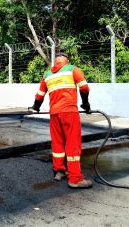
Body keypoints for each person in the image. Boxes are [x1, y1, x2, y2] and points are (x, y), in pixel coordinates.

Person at [31, 52, 92, 188]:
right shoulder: (72, 69)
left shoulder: (47, 75)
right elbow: (84, 88)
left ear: (55, 61)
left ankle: (59, 171)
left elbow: (40, 95)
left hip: (54, 114)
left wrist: (35, 107)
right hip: (69, 112)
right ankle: (75, 179)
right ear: (66, 60)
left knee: (58, 143)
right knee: (72, 143)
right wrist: (86, 104)